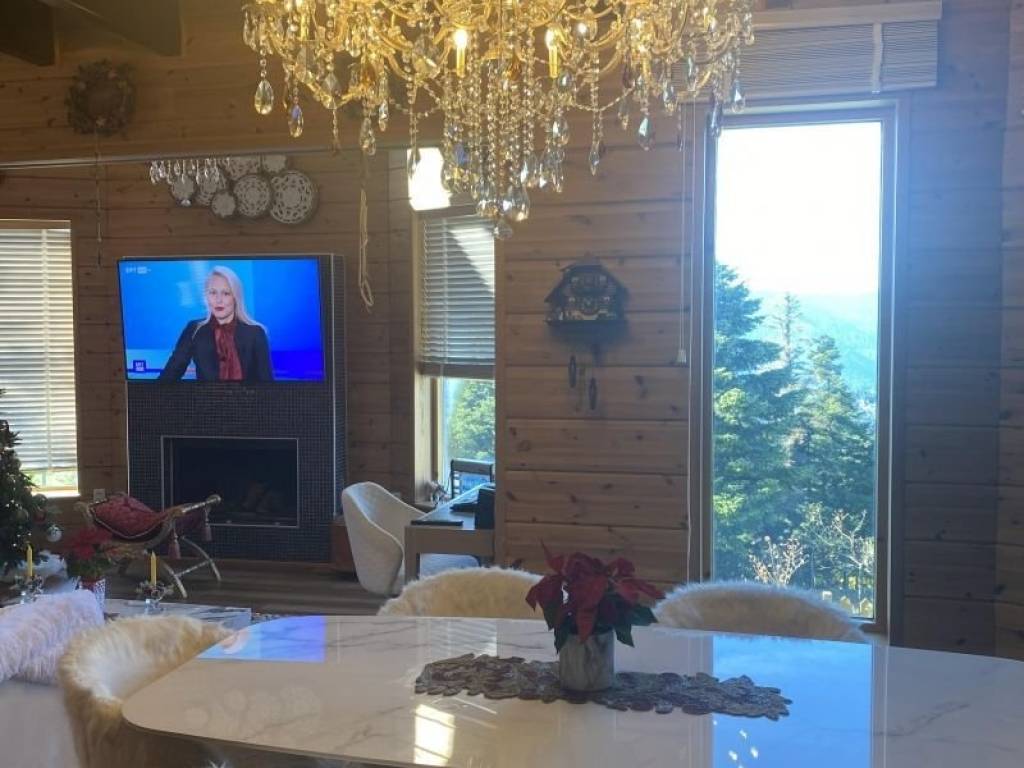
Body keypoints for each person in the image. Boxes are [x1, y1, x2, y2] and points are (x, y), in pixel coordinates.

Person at [158, 265, 273, 382]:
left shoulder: (255, 333)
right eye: (213, 293)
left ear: (236, 297)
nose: (218, 300)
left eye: (226, 293)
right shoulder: (194, 330)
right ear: (206, 297)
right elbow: (169, 375)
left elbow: (266, 384)